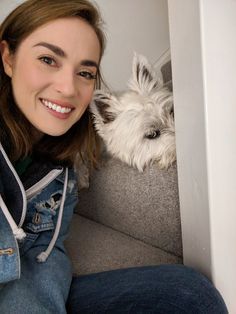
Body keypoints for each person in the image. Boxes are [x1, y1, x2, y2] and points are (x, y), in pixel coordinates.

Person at [0, 0, 228, 313]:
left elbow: (45, 255)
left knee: (190, 293)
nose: (68, 88)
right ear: (8, 57)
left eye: (84, 71)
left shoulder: (62, 170)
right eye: (48, 59)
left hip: (31, 277)